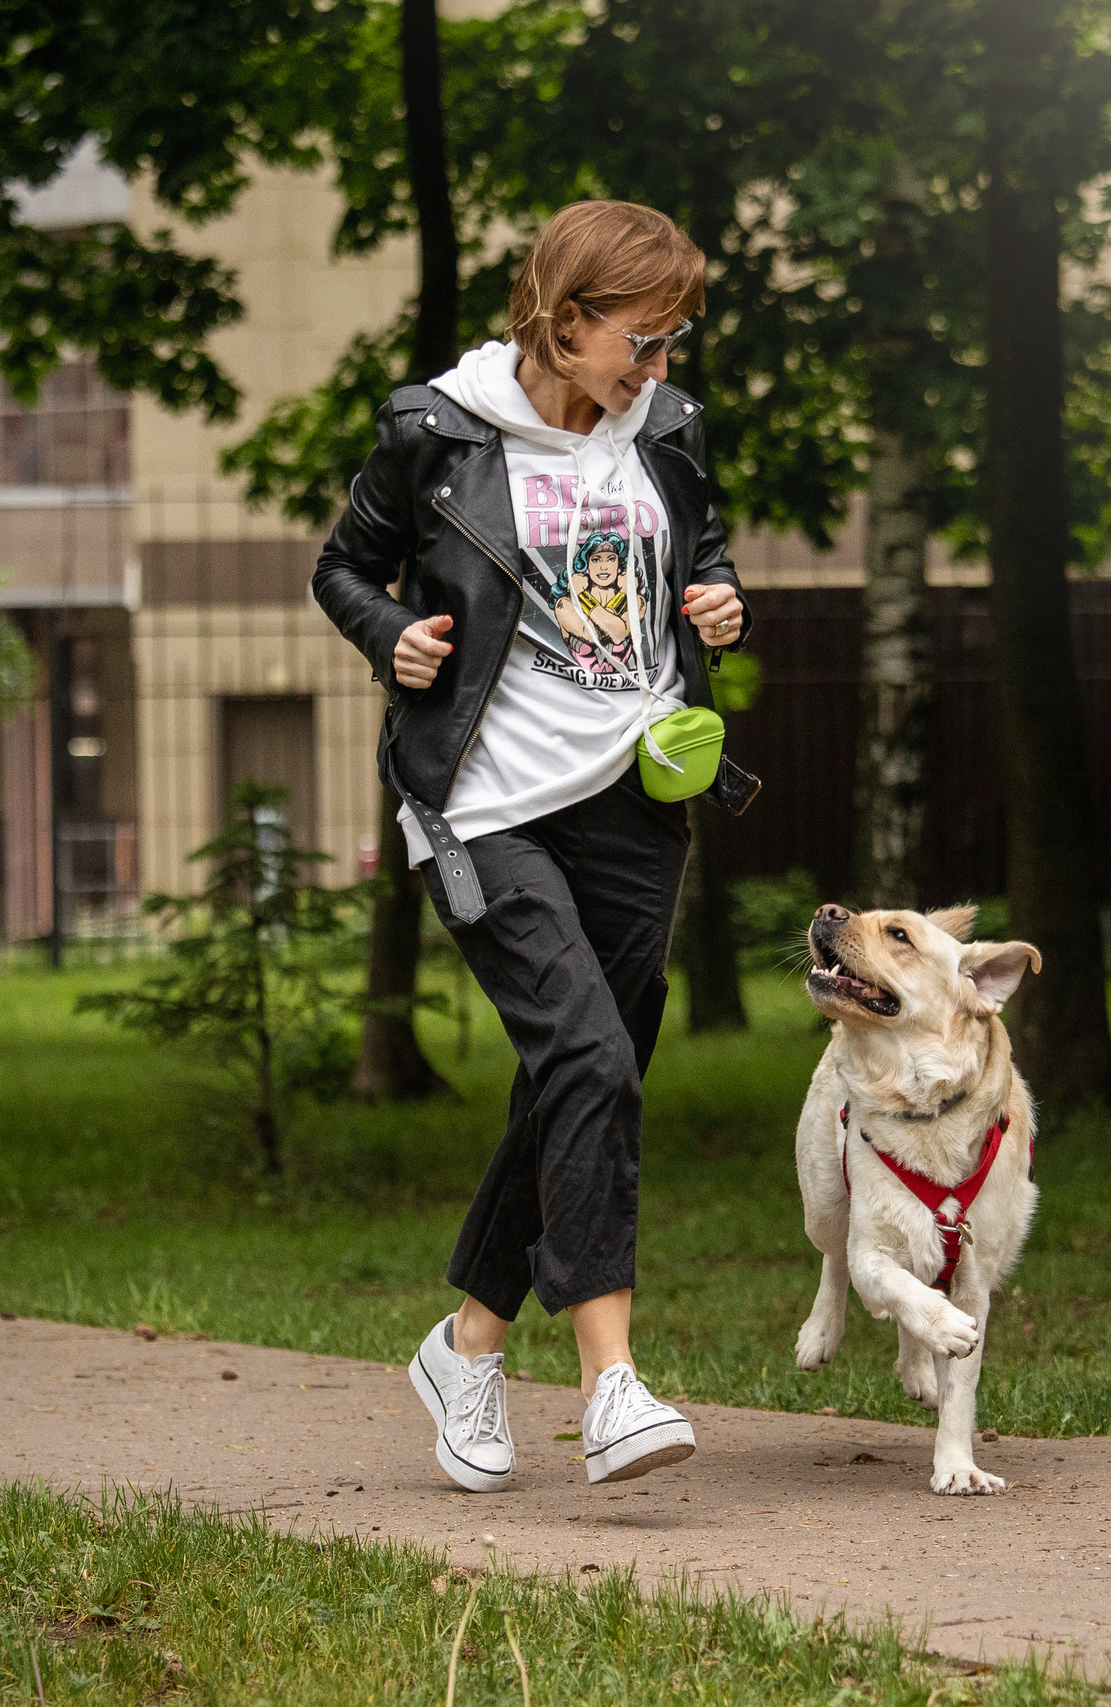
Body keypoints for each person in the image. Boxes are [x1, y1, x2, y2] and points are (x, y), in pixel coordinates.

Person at [312, 200, 751, 1491]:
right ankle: (611, 1387)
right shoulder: (437, 432)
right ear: (565, 323)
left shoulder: (664, 430)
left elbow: (701, 556)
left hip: (634, 802)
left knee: (580, 1074)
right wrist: (388, 635)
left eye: (673, 344)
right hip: (487, 804)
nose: (658, 368)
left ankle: (468, 1346)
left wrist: (720, 602)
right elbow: (344, 567)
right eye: (641, 340)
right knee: (591, 1060)